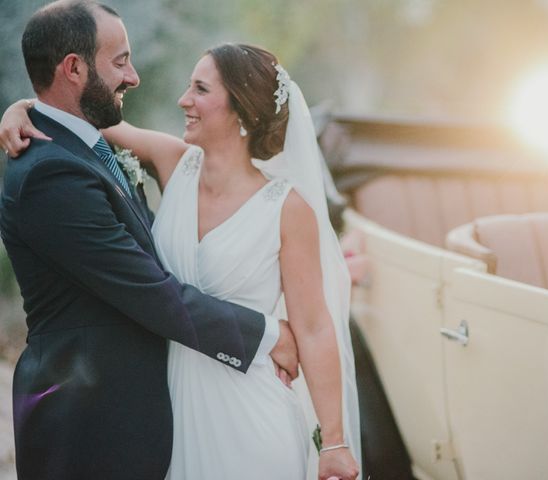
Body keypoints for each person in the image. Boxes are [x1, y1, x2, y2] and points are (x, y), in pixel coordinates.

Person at [1, 9, 361, 480]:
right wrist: (23, 107)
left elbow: (314, 328)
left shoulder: (286, 208)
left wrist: (333, 441)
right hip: (166, 410)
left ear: (242, 111)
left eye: (201, 90)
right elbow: (78, 120)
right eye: (189, 84)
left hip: (246, 406)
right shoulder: (174, 163)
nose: (182, 99)